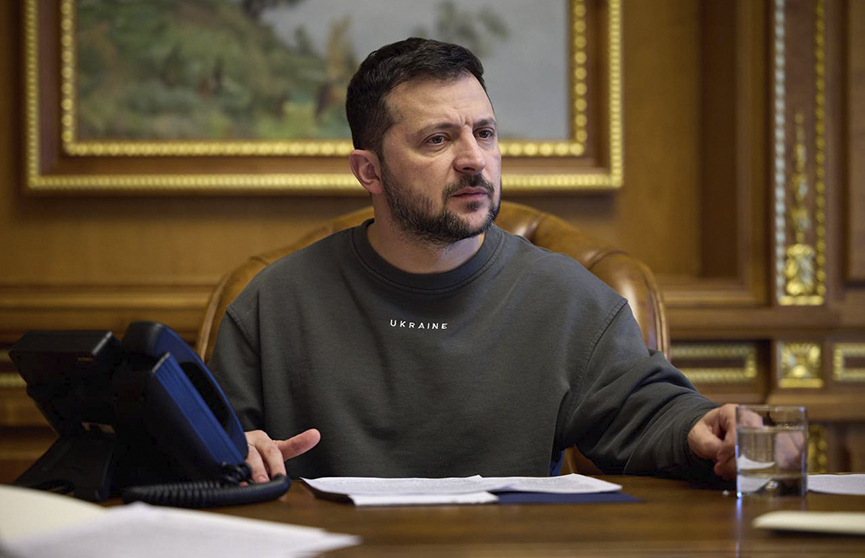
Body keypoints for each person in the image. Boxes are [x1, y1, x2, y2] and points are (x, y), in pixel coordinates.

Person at [209, 38, 738, 485]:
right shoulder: (272, 303)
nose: (473, 160)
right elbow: (210, 444)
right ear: (369, 171)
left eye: (484, 133)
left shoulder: (566, 297)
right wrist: (231, 452)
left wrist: (702, 429)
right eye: (437, 139)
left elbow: (650, 413)